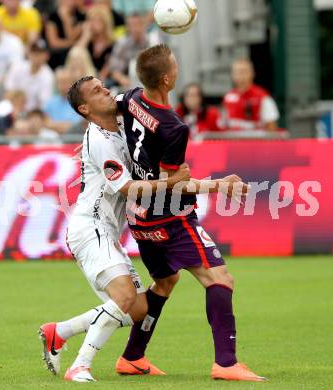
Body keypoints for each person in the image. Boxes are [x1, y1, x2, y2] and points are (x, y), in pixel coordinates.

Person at [114, 44, 264, 382]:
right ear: (167, 78)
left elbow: (113, 107)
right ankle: (226, 363)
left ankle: (132, 357)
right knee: (220, 278)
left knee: (165, 281)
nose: (179, 68)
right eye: (176, 65)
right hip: (171, 217)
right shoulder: (173, 127)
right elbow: (174, 185)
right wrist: (218, 185)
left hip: (139, 217)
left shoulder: (133, 97)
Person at [39, 76, 191, 382]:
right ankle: (80, 366)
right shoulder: (99, 140)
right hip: (90, 227)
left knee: (138, 311)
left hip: (107, 231)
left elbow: (139, 99)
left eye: (104, 85)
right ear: (85, 108)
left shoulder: (120, 125)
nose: (106, 90)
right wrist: (169, 183)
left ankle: (60, 331)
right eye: (97, 91)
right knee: (123, 296)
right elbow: (126, 189)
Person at [222, 58, 280, 131]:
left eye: (243, 72)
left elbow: (271, 125)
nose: (240, 76)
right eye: (236, 72)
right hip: (234, 140)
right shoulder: (228, 97)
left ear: (252, 73)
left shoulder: (262, 96)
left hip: (255, 140)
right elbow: (224, 124)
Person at [108, 13, 157, 89]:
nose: (136, 28)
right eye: (132, 25)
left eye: (138, 24)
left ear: (144, 25)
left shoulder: (152, 42)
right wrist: (124, 80)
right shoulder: (122, 44)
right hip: (130, 83)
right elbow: (115, 71)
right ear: (127, 27)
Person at [4, 40, 55, 112]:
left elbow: (43, 104)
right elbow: (8, 92)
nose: (36, 56)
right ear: (29, 53)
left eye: (39, 53)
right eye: (33, 52)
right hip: (11, 108)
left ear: (47, 56)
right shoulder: (17, 67)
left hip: (32, 114)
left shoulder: (48, 76)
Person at [76, 5, 114, 80]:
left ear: (105, 23)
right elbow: (75, 54)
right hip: (83, 77)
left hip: (102, 80)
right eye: (91, 20)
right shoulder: (87, 41)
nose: (94, 23)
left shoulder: (112, 43)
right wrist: (86, 35)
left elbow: (108, 67)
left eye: (98, 20)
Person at [45, 0, 85, 68]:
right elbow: (54, 43)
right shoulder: (52, 16)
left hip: (74, 56)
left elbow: (71, 36)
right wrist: (75, 43)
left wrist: (65, 19)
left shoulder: (81, 16)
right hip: (57, 56)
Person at [44, 67, 82, 132]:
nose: (63, 85)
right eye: (60, 82)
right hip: (53, 140)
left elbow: (76, 127)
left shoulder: (81, 103)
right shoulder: (50, 103)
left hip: (75, 140)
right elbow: (45, 124)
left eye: (66, 82)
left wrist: (53, 125)